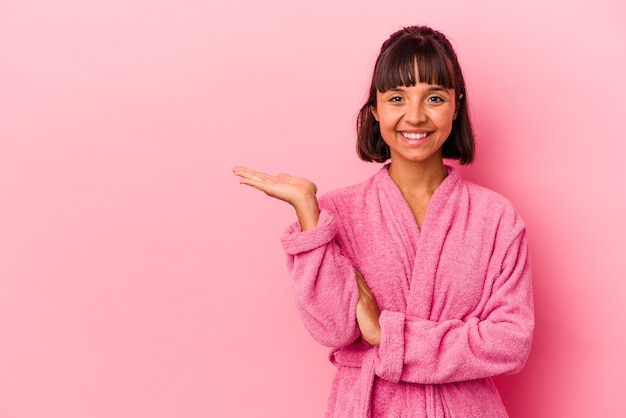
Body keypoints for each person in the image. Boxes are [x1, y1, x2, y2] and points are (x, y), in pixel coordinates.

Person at [233, 25, 533, 418]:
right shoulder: (337, 214)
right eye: (397, 98)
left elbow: (510, 342)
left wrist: (389, 337)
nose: (415, 116)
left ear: (456, 105)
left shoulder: (495, 217)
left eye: (435, 98)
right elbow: (332, 329)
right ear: (375, 109)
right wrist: (309, 215)